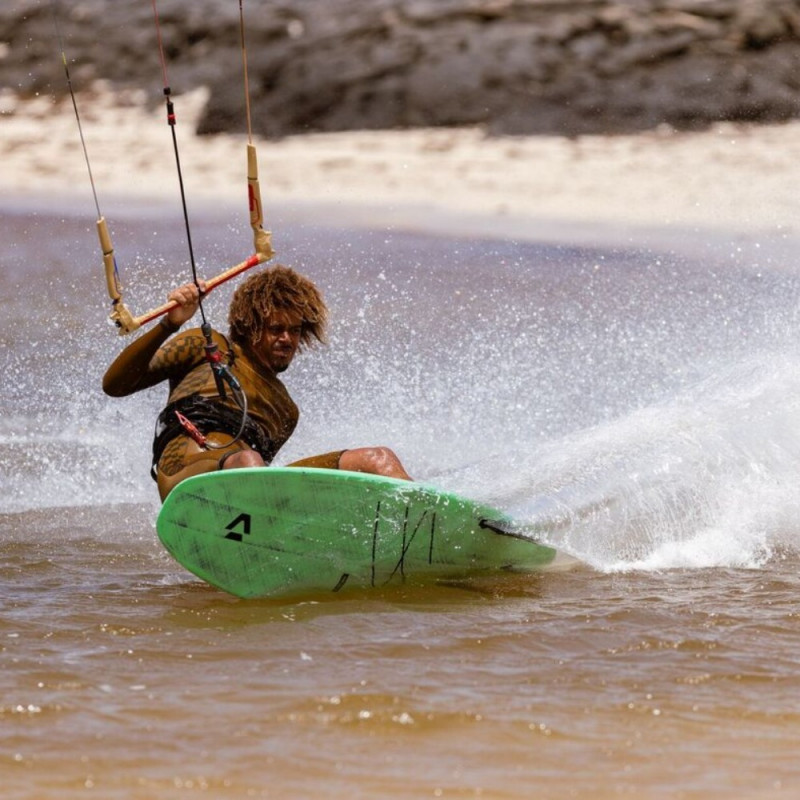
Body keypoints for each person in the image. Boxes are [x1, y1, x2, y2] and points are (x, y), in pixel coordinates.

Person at [102, 264, 411, 500]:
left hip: (247, 489)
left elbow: (267, 478)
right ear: (250, 326)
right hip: (187, 478)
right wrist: (169, 324)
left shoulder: (286, 410)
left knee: (378, 458)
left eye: (295, 330)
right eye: (276, 329)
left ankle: (421, 521)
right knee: (249, 461)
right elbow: (114, 385)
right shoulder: (206, 346)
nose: (287, 339)